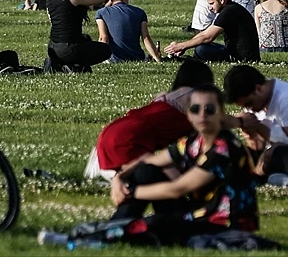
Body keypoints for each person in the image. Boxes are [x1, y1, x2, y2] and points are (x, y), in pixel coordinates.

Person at [109, 86, 259, 245]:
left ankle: (113, 230)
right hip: (198, 215)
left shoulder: (224, 150)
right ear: (188, 115)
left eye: (209, 109)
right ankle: (115, 227)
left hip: (225, 224)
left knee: (152, 226)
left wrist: (129, 192)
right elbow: (149, 160)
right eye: (195, 109)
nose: (202, 115)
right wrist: (118, 179)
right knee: (146, 171)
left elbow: (177, 189)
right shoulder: (193, 142)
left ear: (221, 114)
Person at [88, 60, 216, 179]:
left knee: (143, 175)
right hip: (130, 136)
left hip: (114, 132)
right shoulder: (193, 96)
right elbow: (213, 122)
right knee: (178, 179)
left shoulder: (166, 96)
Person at [223, 65, 288, 183]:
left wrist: (258, 127)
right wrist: (250, 135)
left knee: (278, 153)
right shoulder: (256, 103)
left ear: (258, 89)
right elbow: (258, 145)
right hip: (275, 162)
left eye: (249, 104)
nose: (249, 109)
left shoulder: (287, 98)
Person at [45, 0, 121, 70]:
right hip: (68, 49)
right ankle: (72, 66)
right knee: (105, 50)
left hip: (53, 47)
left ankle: (61, 63)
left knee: (85, 39)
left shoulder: (50, 0)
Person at [165, 0, 260, 63]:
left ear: (221, 0)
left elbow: (208, 37)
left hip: (242, 57)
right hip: (237, 52)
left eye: (211, 3)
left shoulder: (229, 11)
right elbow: (204, 33)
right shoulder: (229, 8)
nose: (210, 8)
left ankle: (190, 60)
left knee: (201, 49)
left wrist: (181, 46)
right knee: (201, 46)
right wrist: (183, 47)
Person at [95, 0, 161, 62]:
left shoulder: (101, 13)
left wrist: (99, 59)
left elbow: (104, 38)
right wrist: (157, 58)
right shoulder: (140, 12)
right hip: (137, 58)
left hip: (114, 59)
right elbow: (146, 38)